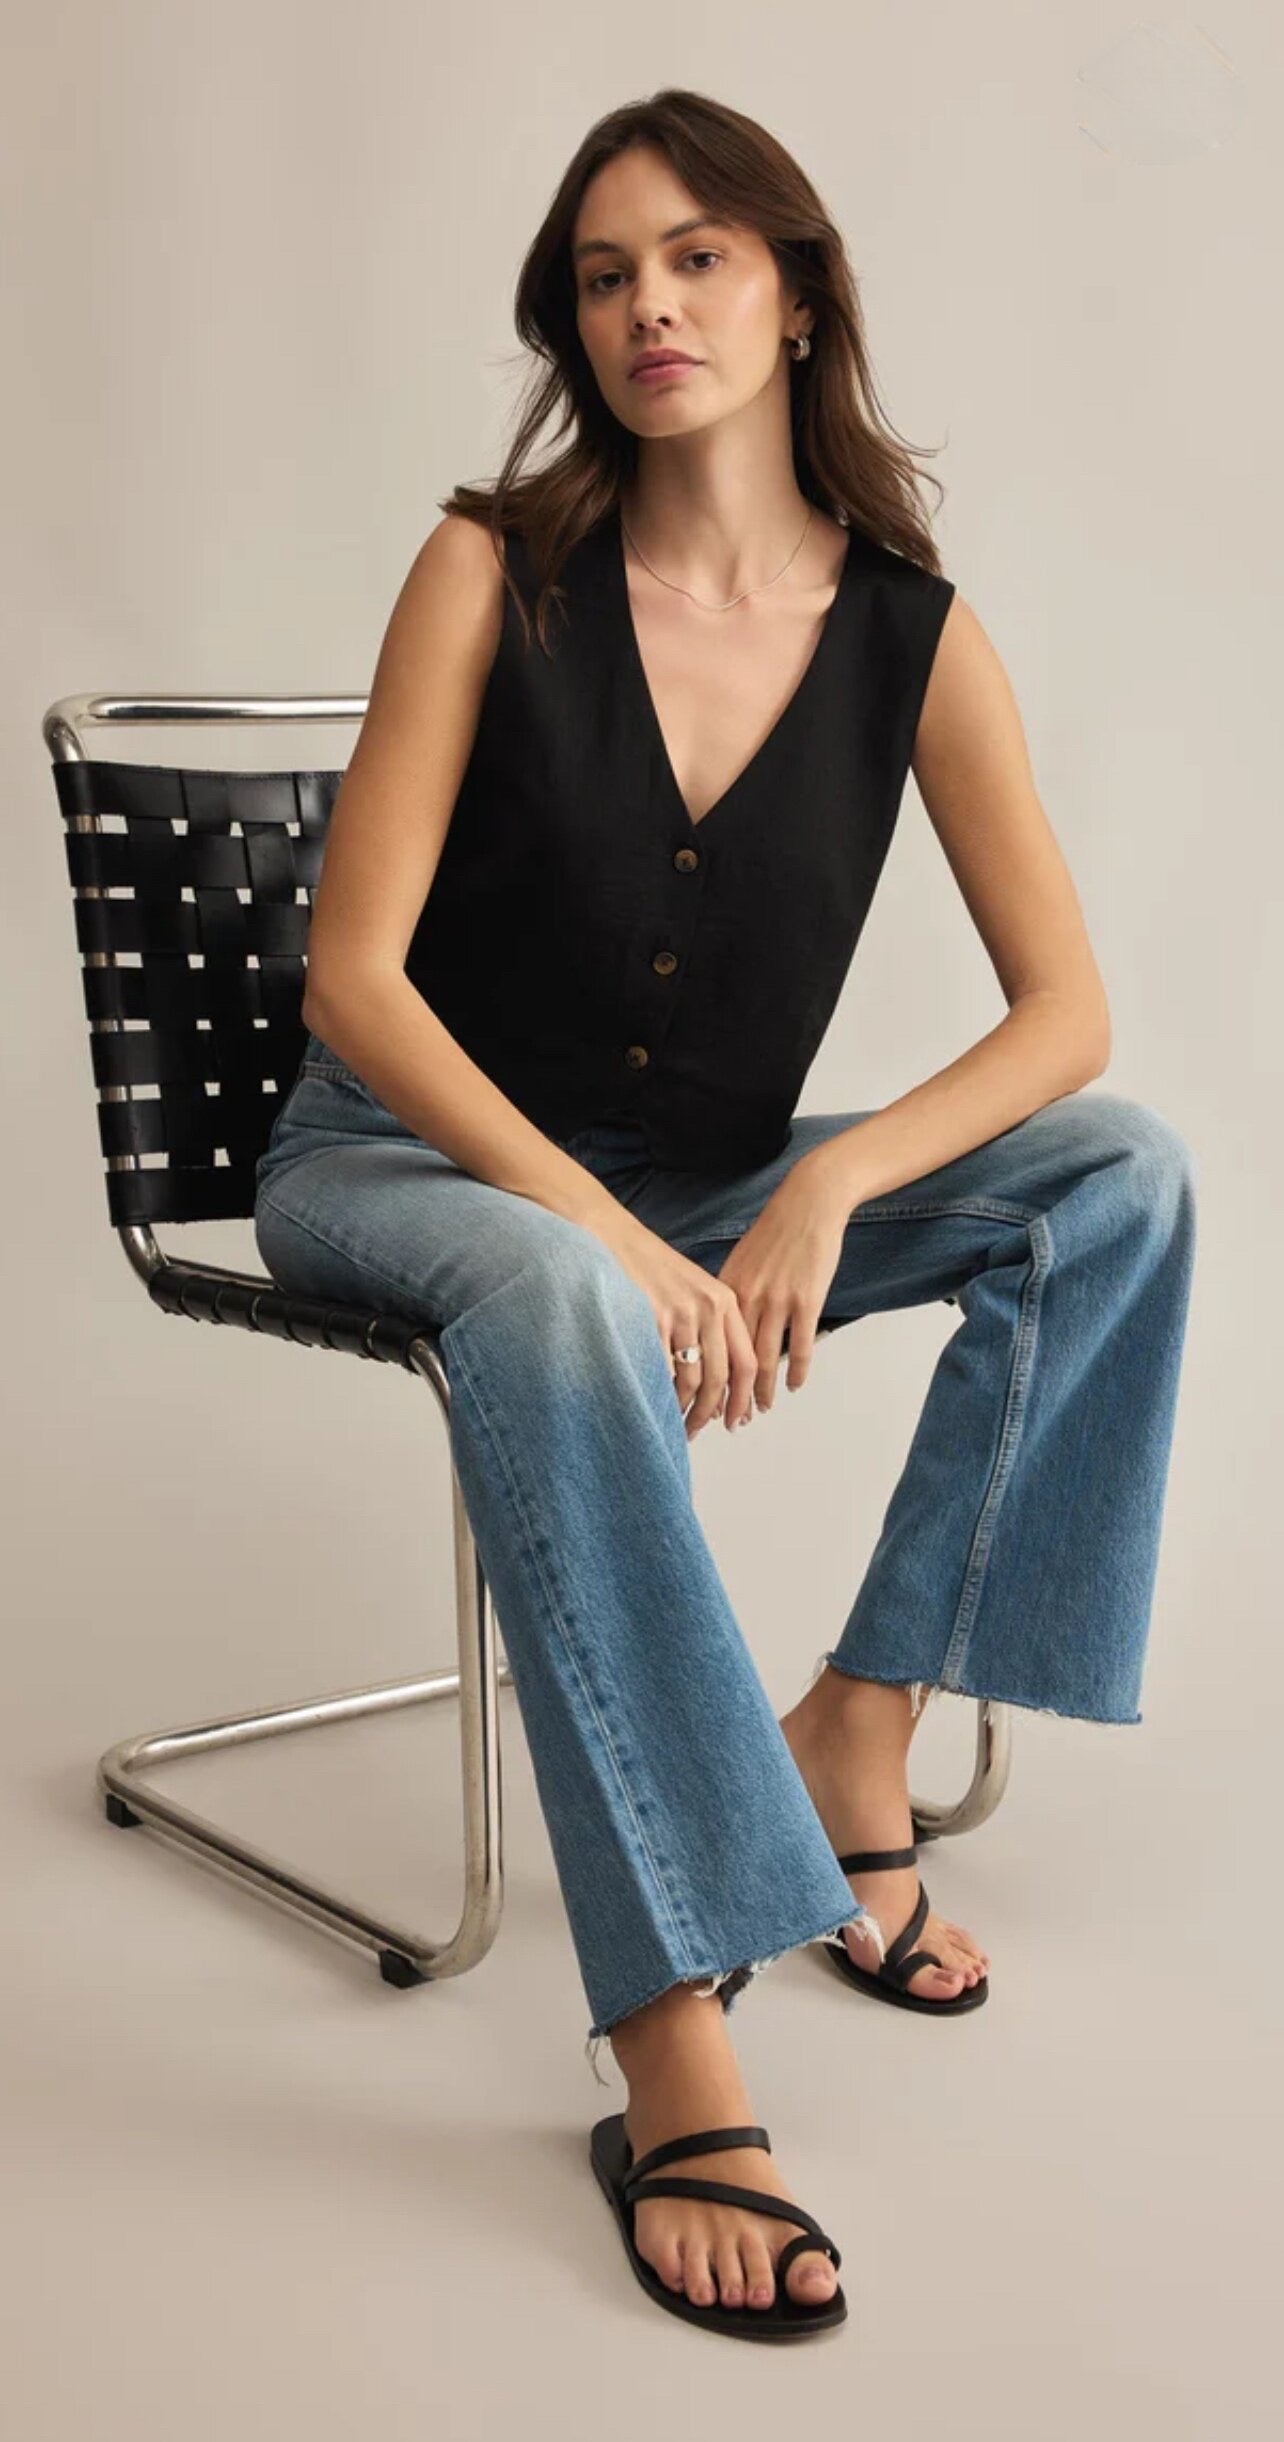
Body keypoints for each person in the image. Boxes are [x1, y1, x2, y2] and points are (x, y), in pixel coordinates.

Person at [253, 88, 1196, 2341]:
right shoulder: (490, 569)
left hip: (708, 1186)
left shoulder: (911, 637)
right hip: (403, 1165)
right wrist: (610, 1233)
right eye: (605, 275)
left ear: (795, 297)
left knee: (1120, 1176)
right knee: (563, 1297)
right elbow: (354, 983)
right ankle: (675, 2027)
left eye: (696, 258)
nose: (648, 306)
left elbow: (1067, 1013)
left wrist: (834, 1182)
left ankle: (859, 1720)